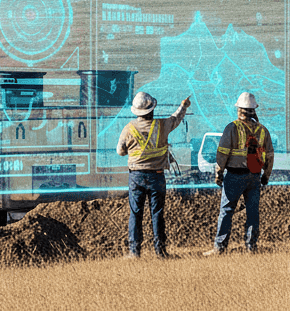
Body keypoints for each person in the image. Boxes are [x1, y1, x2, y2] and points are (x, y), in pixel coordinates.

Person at [116, 91, 190, 258]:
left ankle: (134, 252)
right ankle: (161, 252)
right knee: (157, 213)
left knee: (136, 213)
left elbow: (120, 152)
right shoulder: (162, 125)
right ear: (152, 109)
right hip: (157, 176)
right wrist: (183, 106)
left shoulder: (128, 129)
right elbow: (176, 118)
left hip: (136, 177)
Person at [204, 92, 274, 255]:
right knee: (252, 212)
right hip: (255, 176)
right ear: (254, 109)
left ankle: (220, 248)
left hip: (234, 176)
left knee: (227, 211)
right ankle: (251, 247)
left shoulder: (232, 128)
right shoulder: (263, 130)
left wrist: (219, 173)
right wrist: (266, 175)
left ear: (239, 110)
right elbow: (269, 155)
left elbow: (222, 153)